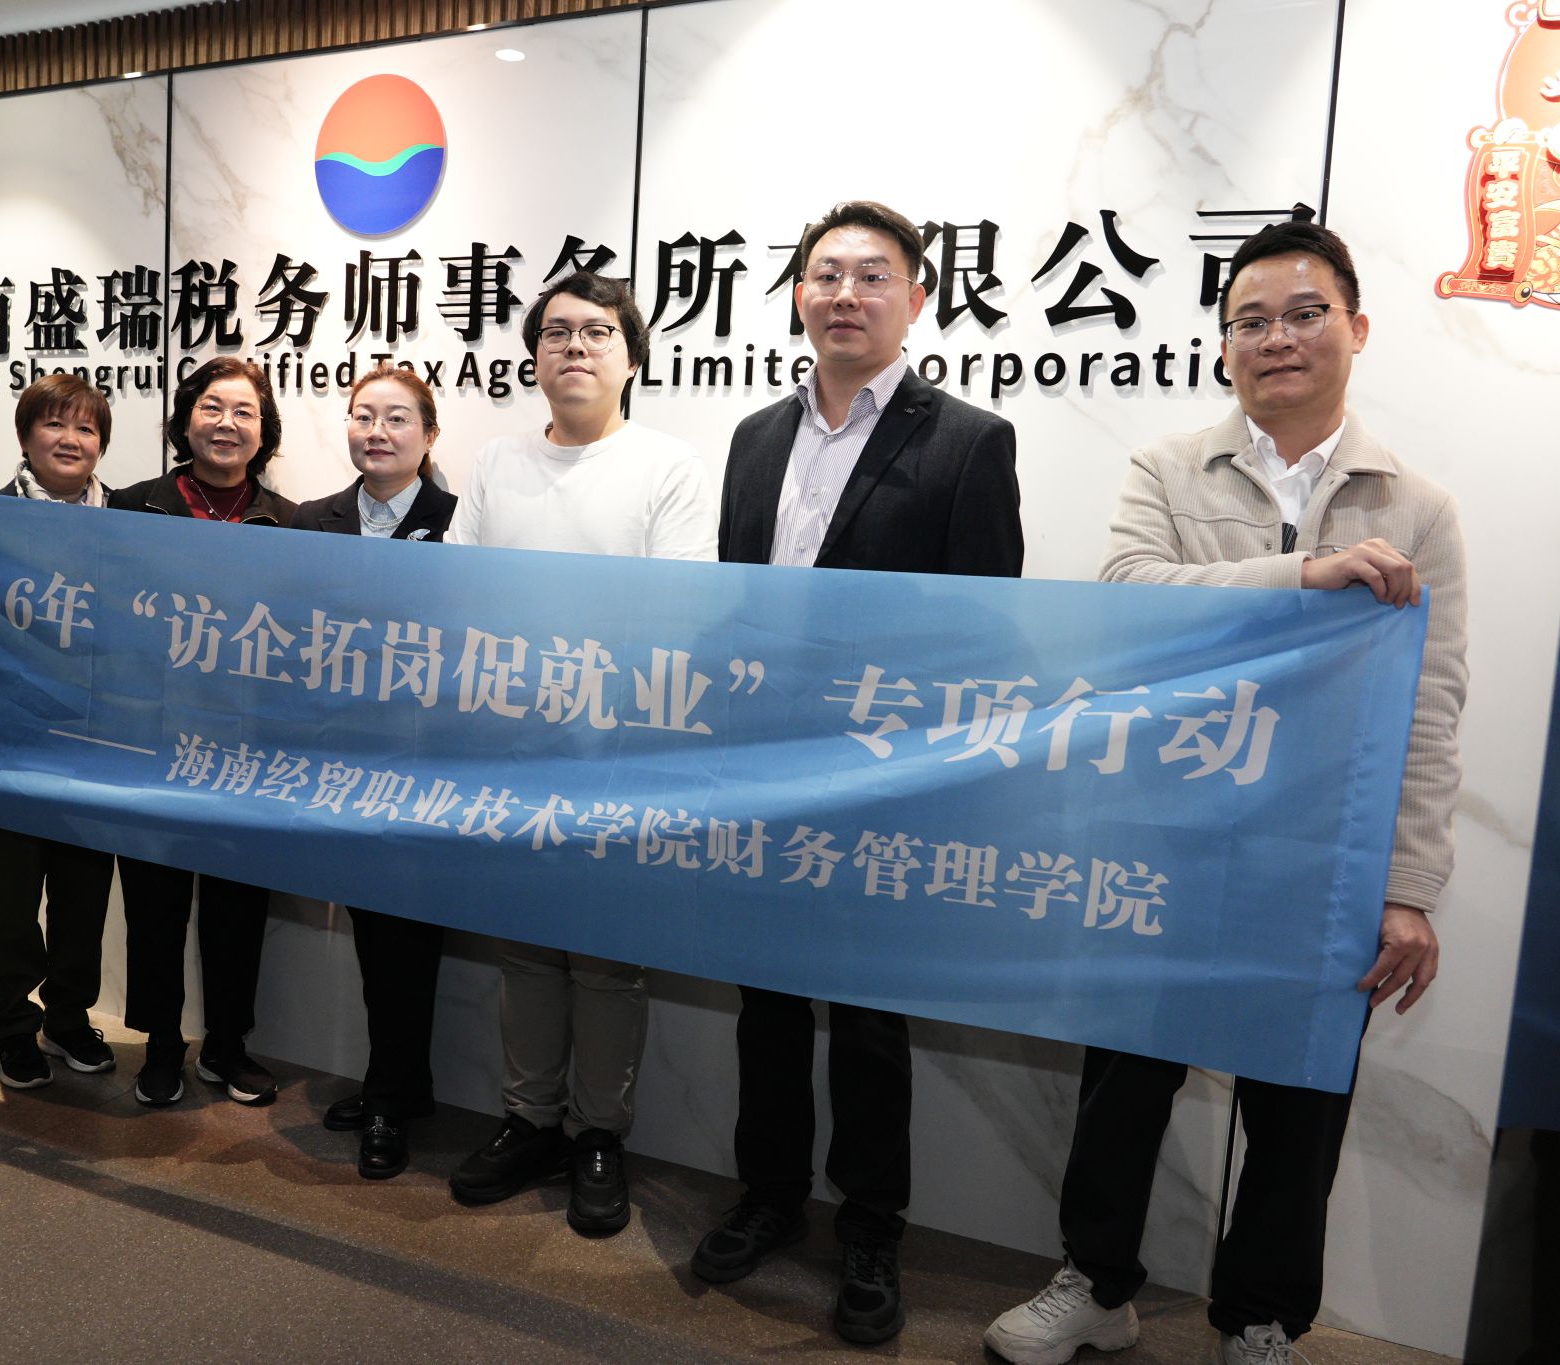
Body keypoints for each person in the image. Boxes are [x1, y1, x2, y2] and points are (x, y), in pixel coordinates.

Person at [983, 221, 1467, 1365]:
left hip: (1322, 851)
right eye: (1249, 321)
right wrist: (1302, 576)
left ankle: (1257, 1319)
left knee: (1297, 1100)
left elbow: (1431, 706)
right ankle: (1096, 1282)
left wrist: (1407, 888)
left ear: (1355, 328)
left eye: (1303, 314)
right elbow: (1127, 600)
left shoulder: (1417, 507)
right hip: (1164, 830)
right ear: (1221, 346)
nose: (1275, 338)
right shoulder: (1165, 468)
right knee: (1121, 1076)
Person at [687, 201, 1024, 1345]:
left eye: (871, 275)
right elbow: (738, 604)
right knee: (767, 1004)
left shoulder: (967, 442)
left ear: (914, 299)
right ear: (796, 295)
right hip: (765, 772)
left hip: (886, 782)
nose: (844, 294)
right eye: (824, 274)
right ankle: (768, 1195)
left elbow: (982, 634)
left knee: (871, 1020)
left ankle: (871, 1228)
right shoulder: (753, 438)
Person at [443, 271, 718, 1235]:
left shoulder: (668, 466)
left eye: (598, 333)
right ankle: (530, 1119)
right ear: (533, 357)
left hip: (619, 753)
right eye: (556, 332)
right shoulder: (496, 462)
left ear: (630, 358)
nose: (574, 347)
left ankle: (598, 1134)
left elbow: (676, 614)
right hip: (512, 748)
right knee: (523, 947)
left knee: (606, 960)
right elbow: (462, 595)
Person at [107, 356, 297, 1106]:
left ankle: (227, 1045)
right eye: (212, 407)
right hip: (153, 739)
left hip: (248, 745)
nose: (227, 423)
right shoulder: (134, 506)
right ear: (185, 421)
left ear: (264, 430)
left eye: (245, 411)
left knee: (237, 907)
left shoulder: (292, 522)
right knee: (154, 903)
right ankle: (161, 1044)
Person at [287, 363, 458, 1178]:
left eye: (396, 418)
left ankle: (390, 1098)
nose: (377, 432)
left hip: (427, 767)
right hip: (339, 763)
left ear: (429, 434)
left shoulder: (458, 523)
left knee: (407, 939)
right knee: (372, 932)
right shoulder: (310, 519)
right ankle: (398, 1083)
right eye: (363, 416)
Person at [0, 374, 119, 1089]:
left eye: (86, 428)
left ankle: (67, 1016)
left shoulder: (131, 521)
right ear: (25, 435)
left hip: (98, 746)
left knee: (82, 896)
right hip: (8, 743)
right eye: (54, 424)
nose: (70, 440)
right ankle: (11, 1025)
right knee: (9, 899)